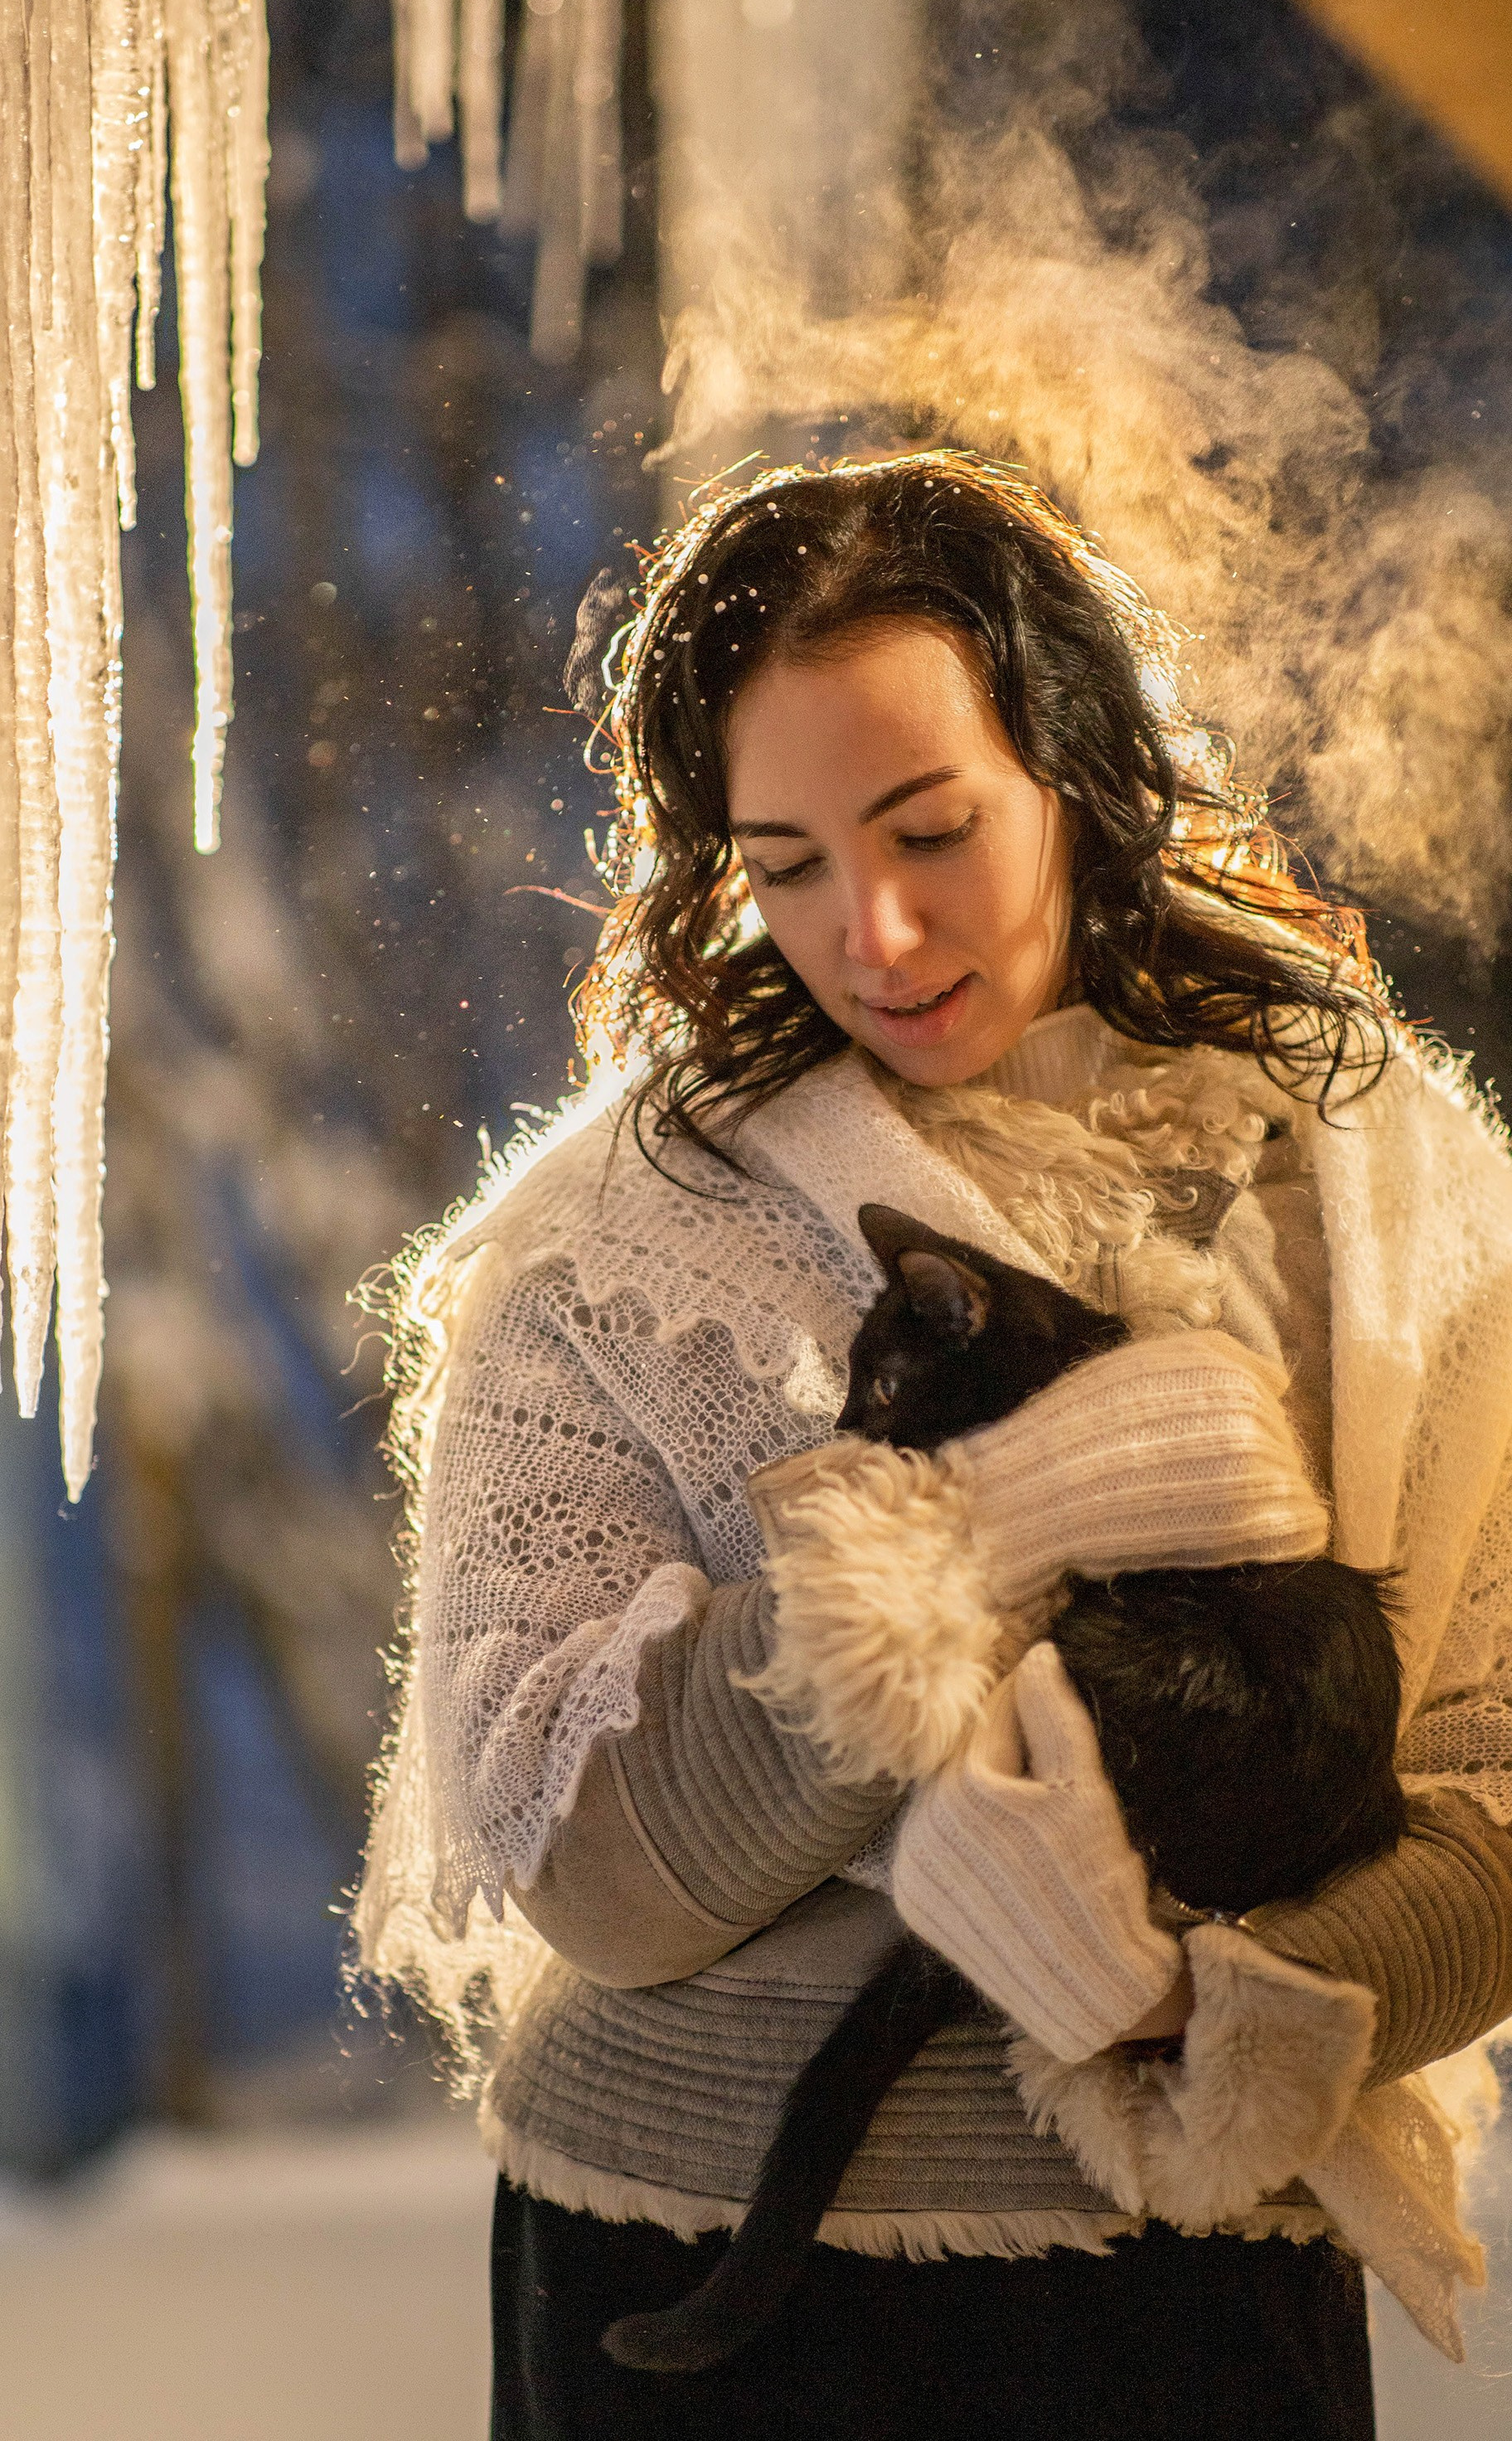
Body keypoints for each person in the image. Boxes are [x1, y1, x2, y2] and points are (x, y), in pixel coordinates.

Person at [354, 454, 1512, 2441]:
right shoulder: (608, 1260)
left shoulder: (1385, 1208)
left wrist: (1193, 2008)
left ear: (1072, 765)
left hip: (1185, 2289)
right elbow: (586, 1864)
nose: (870, 930)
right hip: (699, 2283)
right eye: (782, 859)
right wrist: (977, 1532)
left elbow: (1489, 1777)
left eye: (928, 828)